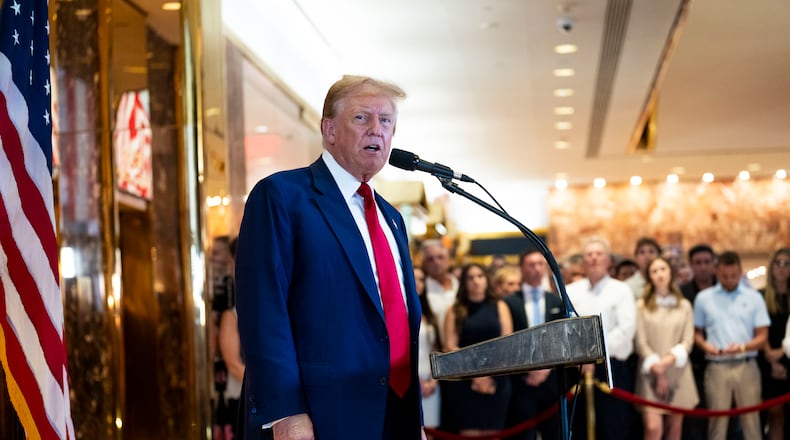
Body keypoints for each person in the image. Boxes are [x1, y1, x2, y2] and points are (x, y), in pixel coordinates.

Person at [235, 75, 424, 439]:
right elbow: (263, 311)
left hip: (393, 415)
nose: (376, 130)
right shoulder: (282, 196)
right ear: (329, 130)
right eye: (362, 118)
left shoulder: (392, 219)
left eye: (386, 121)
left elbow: (399, 322)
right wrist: (286, 413)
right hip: (320, 418)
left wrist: (412, 416)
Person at [693, 250, 770, 440]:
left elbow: (762, 336)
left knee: (751, 424)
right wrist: (705, 346)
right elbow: (697, 333)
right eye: (724, 276)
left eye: (733, 276)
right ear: (717, 272)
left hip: (746, 365)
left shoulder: (754, 298)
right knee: (717, 425)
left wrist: (743, 347)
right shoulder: (704, 298)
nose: (729, 280)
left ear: (740, 271)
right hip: (716, 366)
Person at [566, 236, 636, 440]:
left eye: (599, 254)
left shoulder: (621, 290)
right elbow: (568, 330)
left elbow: (626, 330)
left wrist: (596, 355)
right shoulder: (571, 291)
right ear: (583, 261)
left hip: (611, 367)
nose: (594, 258)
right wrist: (582, 358)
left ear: (608, 260)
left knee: (613, 427)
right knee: (579, 427)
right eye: (589, 254)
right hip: (578, 367)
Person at [442, 263, 513, 436]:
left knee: (493, 434)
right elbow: (450, 346)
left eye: (480, 276)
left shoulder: (500, 306)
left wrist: (487, 375)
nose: (476, 281)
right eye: (470, 277)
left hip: (496, 378)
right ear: (464, 283)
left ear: (486, 279)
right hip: (466, 381)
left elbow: (508, 343)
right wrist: (475, 376)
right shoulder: (455, 310)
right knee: (469, 433)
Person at [503, 249, 565, 440]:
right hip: (522, 380)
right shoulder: (509, 302)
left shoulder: (556, 300)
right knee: (523, 434)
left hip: (552, 379)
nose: (537, 269)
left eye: (540, 264)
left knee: (553, 433)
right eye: (531, 265)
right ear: (521, 269)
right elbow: (508, 341)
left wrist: (546, 368)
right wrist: (528, 371)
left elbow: (561, 338)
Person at [634, 257, 698, 440]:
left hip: (677, 372)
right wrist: (658, 371)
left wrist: (666, 363)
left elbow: (688, 341)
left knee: (674, 431)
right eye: (654, 271)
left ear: (670, 272)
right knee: (653, 429)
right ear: (649, 277)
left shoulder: (683, 305)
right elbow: (640, 342)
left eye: (663, 269)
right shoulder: (642, 306)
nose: (659, 274)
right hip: (650, 373)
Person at [758, 248, 790, 440]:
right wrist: (772, 357)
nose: (782, 268)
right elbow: (756, 328)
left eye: (787, 264)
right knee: (775, 416)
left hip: (788, 357)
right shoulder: (760, 296)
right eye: (778, 263)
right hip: (768, 361)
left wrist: (781, 353)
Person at [414, 267, 441, 435]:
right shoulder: (400, 312)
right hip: (410, 378)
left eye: (422, 279)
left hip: (431, 379)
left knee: (432, 431)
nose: (418, 283)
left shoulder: (430, 314)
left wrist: (434, 380)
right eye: (414, 278)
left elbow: (435, 349)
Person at [422, 239, 459, 341]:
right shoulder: (422, 292)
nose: (436, 262)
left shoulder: (460, 284)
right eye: (431, 259)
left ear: (448, 259)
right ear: (424, 263)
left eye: (440, 257)